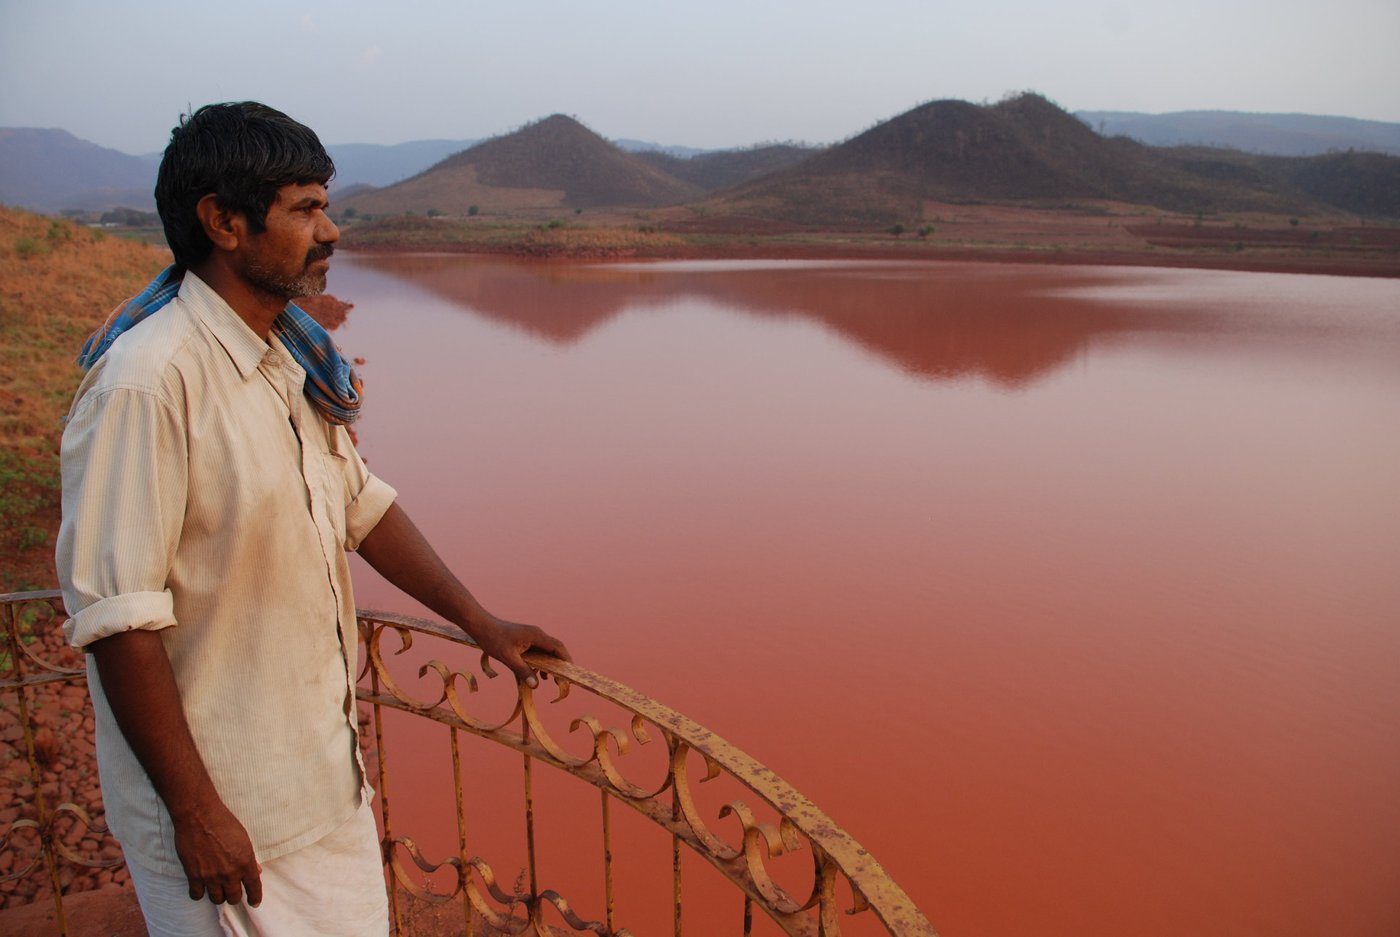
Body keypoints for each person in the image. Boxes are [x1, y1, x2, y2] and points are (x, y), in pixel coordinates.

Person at [55, 101, 570, 937]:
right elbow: (118, 617)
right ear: (223, 221)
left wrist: (483, 622)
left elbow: (361, 506)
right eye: (304, 208)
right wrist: (196, 813)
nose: (330, 231)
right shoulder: (148, 384)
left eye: (325, 204)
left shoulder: (282, 360)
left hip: (323, 784)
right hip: (229, 816)